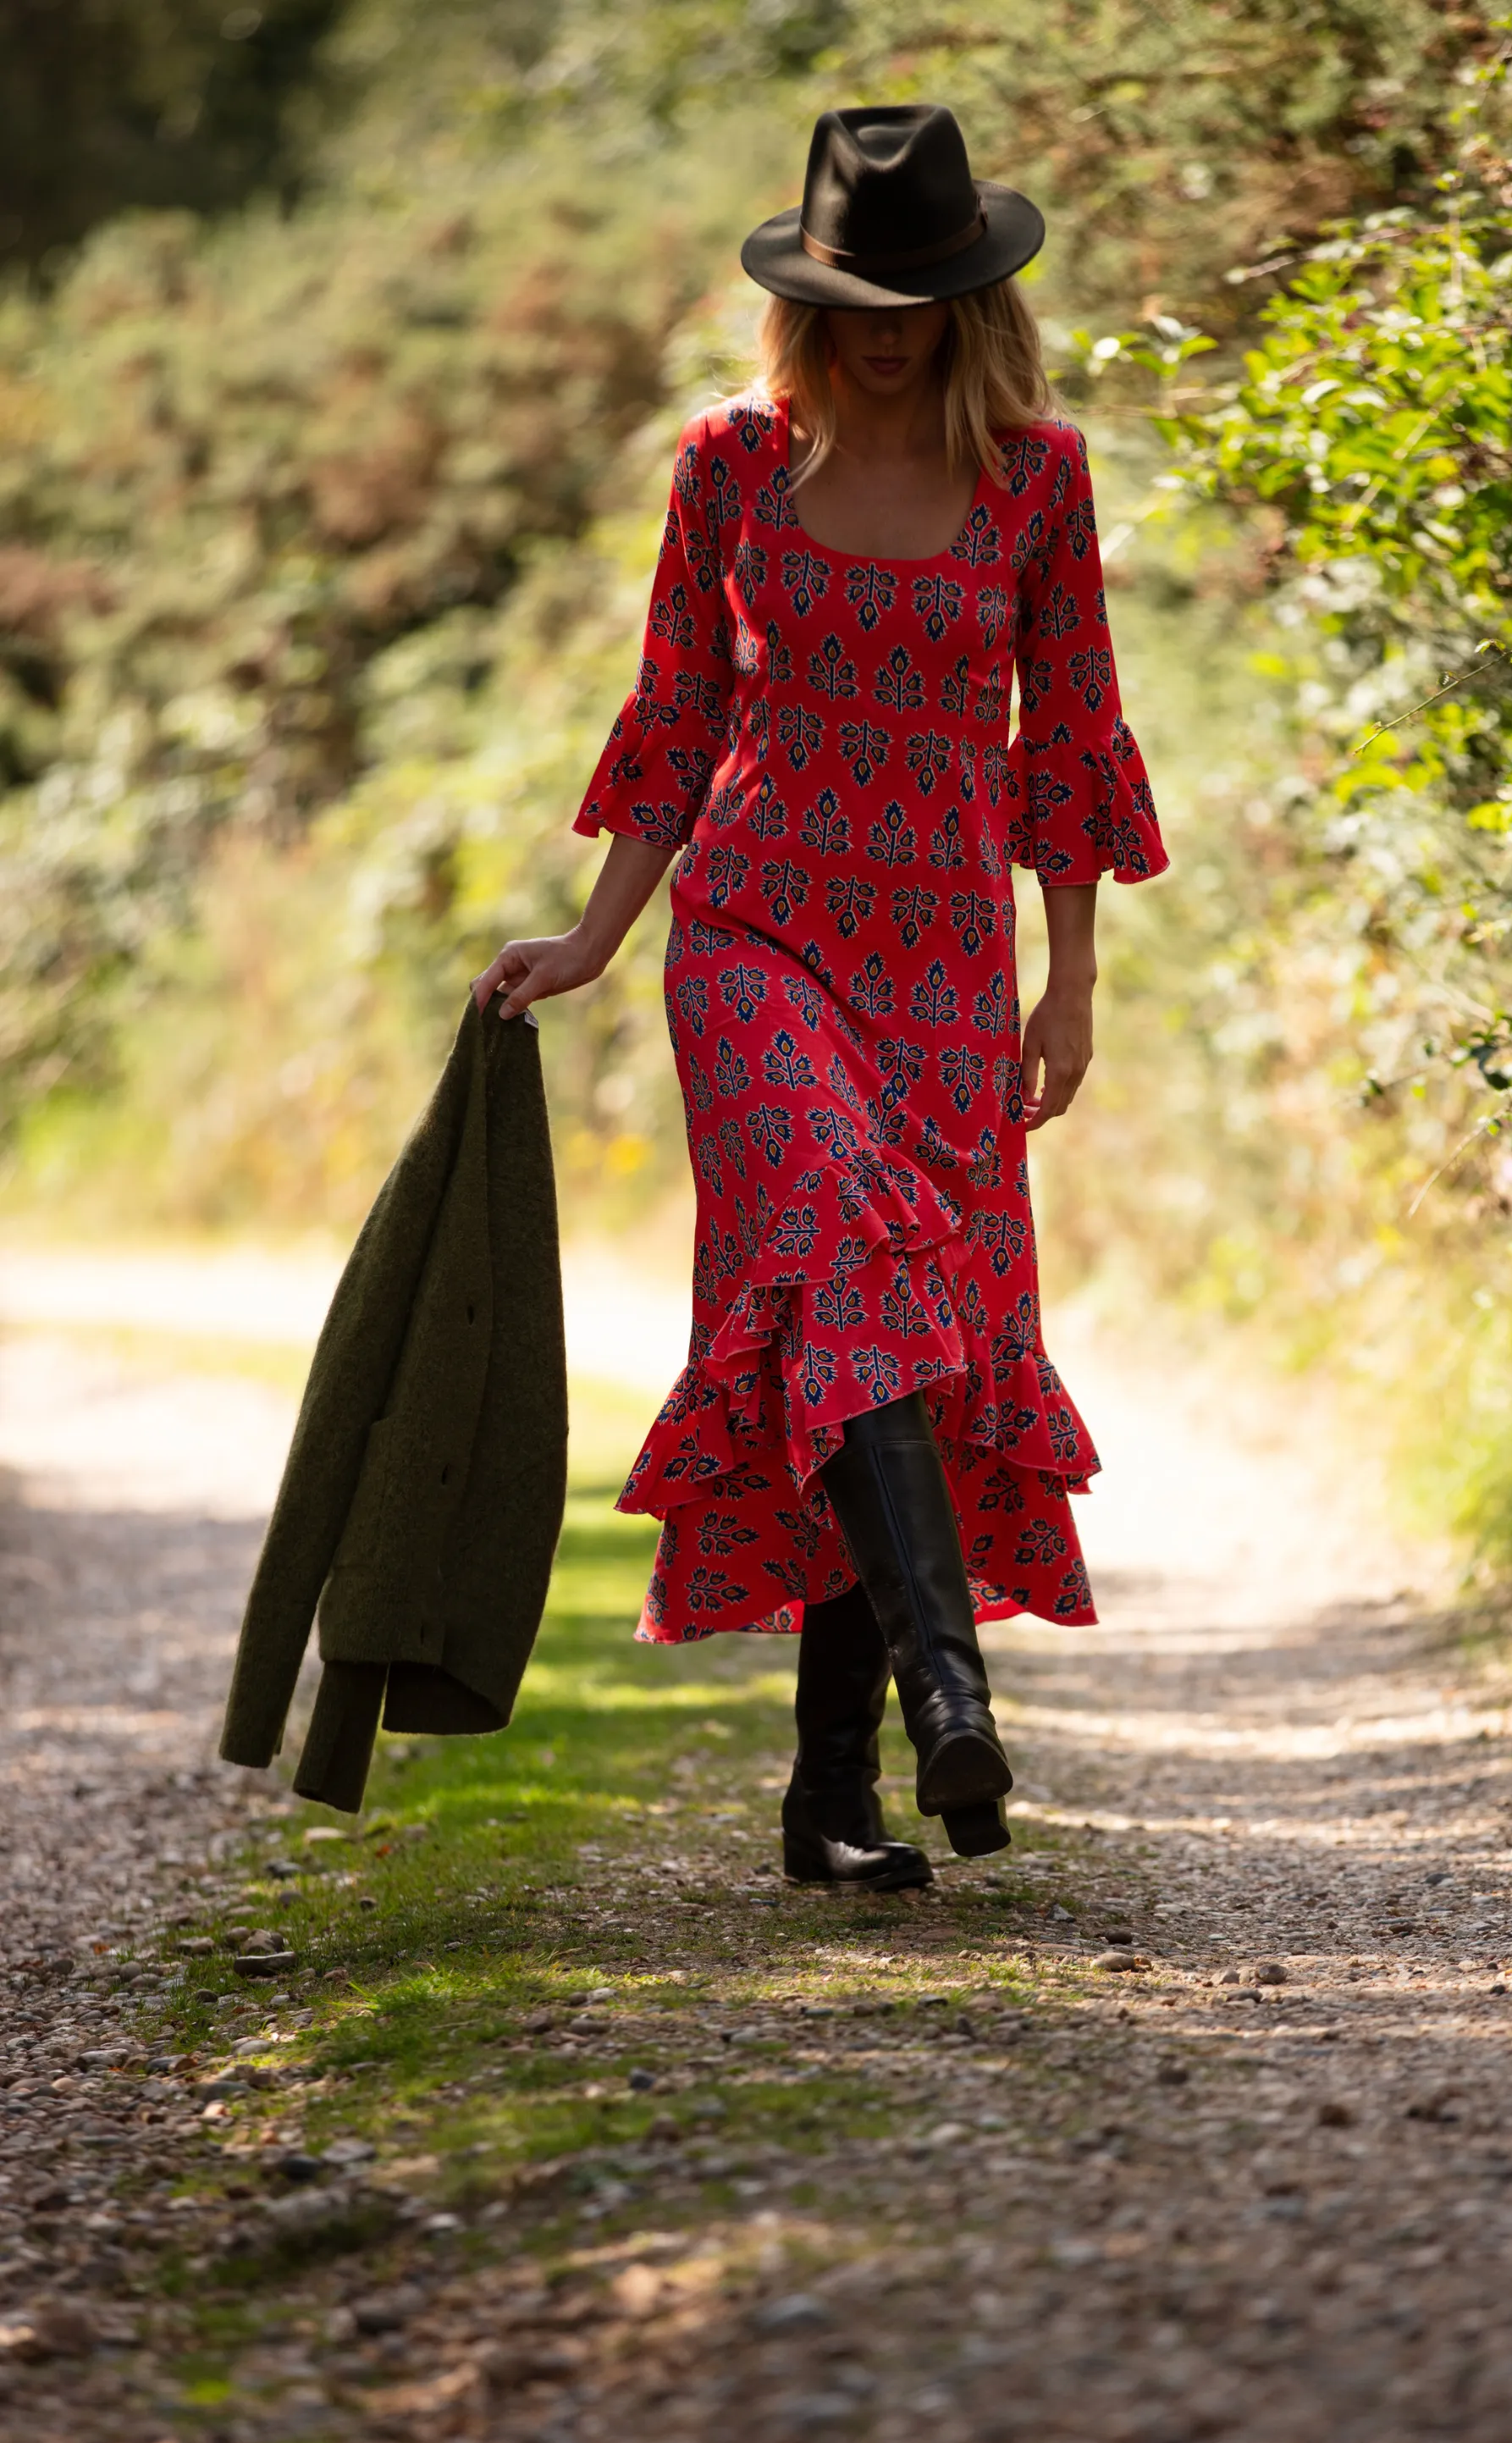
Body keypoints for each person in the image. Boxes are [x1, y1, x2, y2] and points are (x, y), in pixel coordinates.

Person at [475, 103, 1166, 1893]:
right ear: (806, 293)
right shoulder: (726, 463)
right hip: (755, 941)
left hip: (945, 966)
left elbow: (1071, 739)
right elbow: (677, 718)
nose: (884, 319)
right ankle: (951, 1691)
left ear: (967, 296)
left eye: (917, 289)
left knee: (900, 1353)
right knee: (855, 1255)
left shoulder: (1039, 476)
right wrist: (597, 940)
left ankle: (831, 1797)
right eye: (855, 287)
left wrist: (1067, 981)